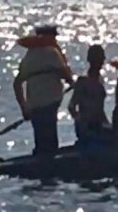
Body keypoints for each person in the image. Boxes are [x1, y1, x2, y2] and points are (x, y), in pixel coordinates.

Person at [12, 25, 73, 155]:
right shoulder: (52, 52)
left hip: (34, 103)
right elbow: (65, 74)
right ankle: (49, 160)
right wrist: (72, 82)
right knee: (50, 136)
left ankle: (41, 156)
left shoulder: (29, 56)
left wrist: (24, 107)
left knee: (40, 136)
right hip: (50, 101)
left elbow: (17, 84)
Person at [68, 44, 112, 148]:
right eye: (97, 58)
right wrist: (79, 121)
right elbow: (71, 106)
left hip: (99, 123)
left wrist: (108, 124)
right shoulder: (83, 82)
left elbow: (100, 110)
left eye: (101, 58)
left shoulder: (100, 81)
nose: (100, 61)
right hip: (87, 126)